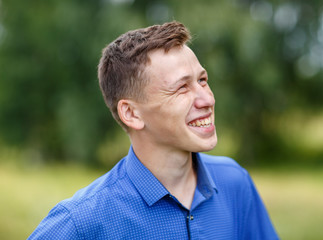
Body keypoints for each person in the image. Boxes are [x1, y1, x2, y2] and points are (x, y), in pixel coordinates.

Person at [29, 21, 279, 239]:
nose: (207, 99)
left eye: (202, 80)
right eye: (182, 88)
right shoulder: (81, 222)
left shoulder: (236, 182)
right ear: (132, 113)